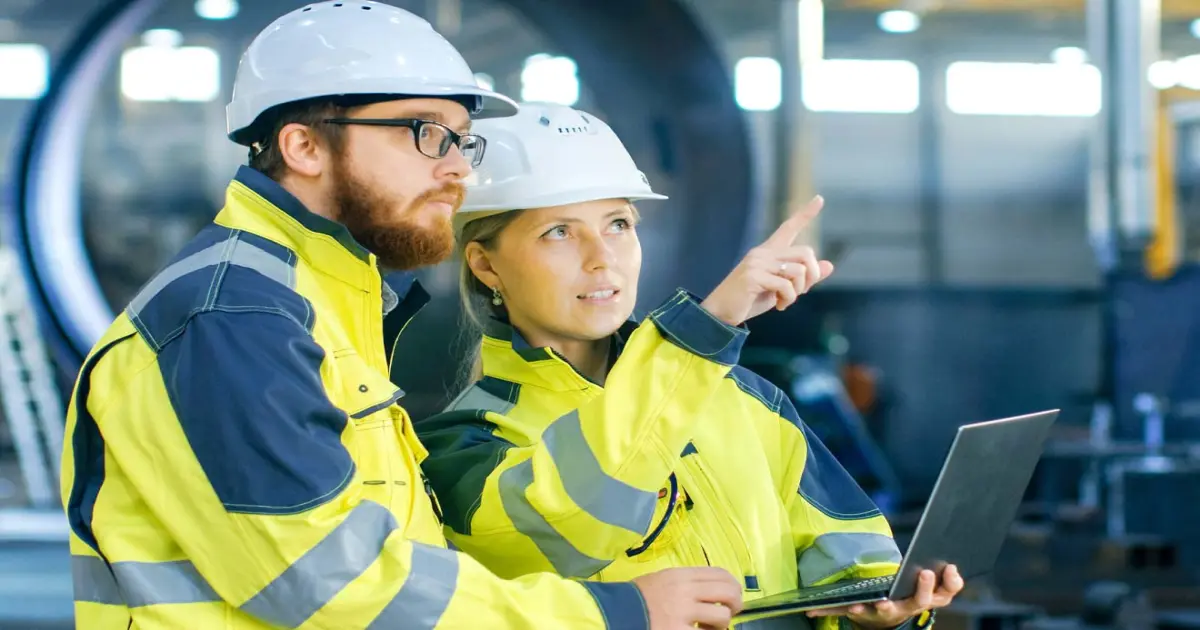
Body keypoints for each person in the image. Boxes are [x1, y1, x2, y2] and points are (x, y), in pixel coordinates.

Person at [59, 4, 747, 629]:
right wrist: (609, 615)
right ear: (303, 147)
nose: (459, 171)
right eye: (425, 133)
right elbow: (326, 584)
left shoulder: (323, 303)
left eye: (462, 140)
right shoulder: (233, 317)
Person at [416, 102, 965, 630]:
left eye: (618, 224)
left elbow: (851, 550)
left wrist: (884, 607)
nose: (601, 257)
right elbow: (577, 517)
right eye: (558, 232)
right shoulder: (466, 446)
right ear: (486, 264)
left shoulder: (746, 399)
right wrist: (706, 327)